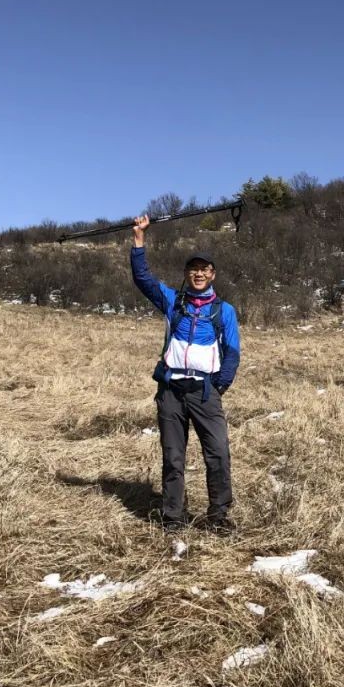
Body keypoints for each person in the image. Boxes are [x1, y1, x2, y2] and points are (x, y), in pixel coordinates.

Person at [131, 214, 240, 534]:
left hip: (205, 392)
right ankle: (173, 517)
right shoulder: (172, 301)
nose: (199, 273)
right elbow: (143, 279)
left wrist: (220, 384)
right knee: (173, 457)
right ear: (187, 273)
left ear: (213, 274)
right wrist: (139, 239)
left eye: (205, 269)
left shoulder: (224, 310)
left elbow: (232, 351)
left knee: (218, 453)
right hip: (171, 391)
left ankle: (218, 516)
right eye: (194, 268)